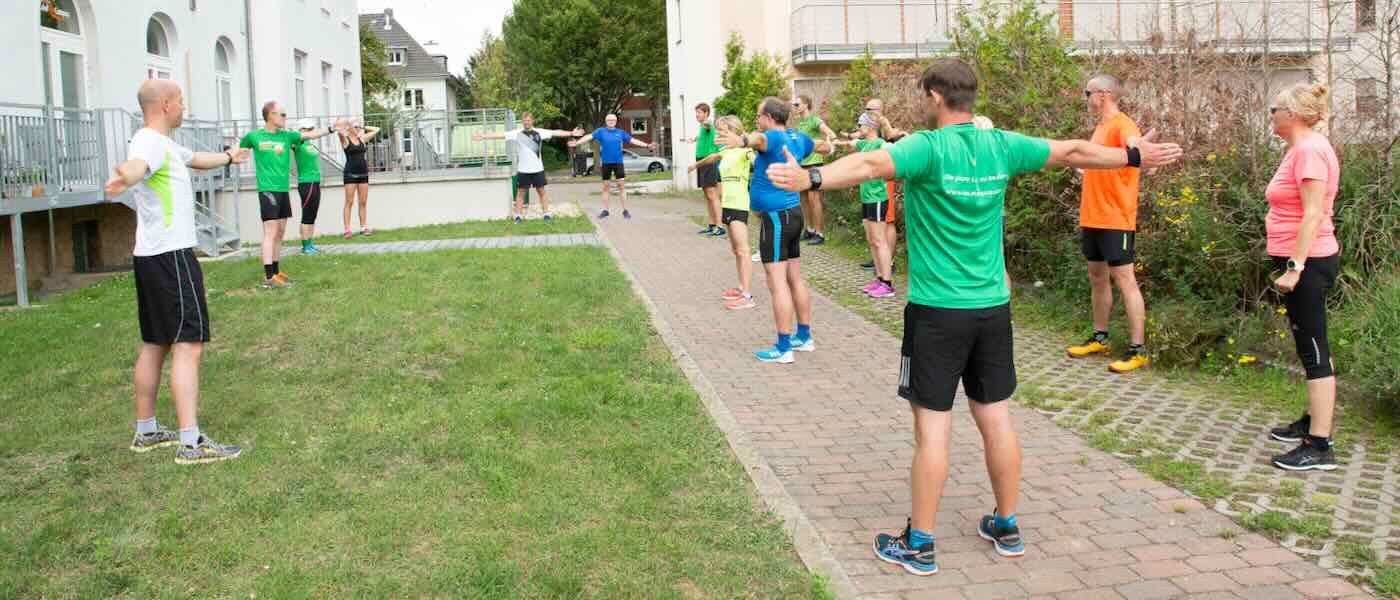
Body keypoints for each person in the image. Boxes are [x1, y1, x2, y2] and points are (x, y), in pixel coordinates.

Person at [765, 57, 1183, 575]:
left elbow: (871, 165)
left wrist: (810, 179)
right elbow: (1073, 150)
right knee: (996, 419)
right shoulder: (1000, 145)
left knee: (933, 429)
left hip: (938, 313)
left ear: (936, 97)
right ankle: (1006, 524)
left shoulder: (927, 147)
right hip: (992, 310)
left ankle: (919, 543)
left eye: (923, 96)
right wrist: (1134, 154)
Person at [104, 79, 251, 464]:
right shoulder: (149, 143)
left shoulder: (165, 144)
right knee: (188, 343)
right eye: (182, 101)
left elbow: (195, 159)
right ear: (166, 104)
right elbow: (139, 165)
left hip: (150, 257)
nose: (184, 107)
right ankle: (191, 442)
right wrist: (127, 175)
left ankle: (147, 431)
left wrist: (229, 157)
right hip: (171, 257)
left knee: (156, 341)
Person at [1263, 83, 1342, 472]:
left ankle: (1320, 445)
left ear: (1291, 115)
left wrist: (1295, 267)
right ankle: (1313, 421)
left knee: (1314, 351)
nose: (1271, 115)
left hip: (1307, 264)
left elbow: (1313, 213)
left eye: (1274, 109)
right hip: (1300, 262)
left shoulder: (1310, 151)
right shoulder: (1301, 149)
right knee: (1307, 345)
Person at [717, 97, 818, 364]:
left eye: (759, 116)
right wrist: (833, 144)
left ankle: (784, 348)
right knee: (794, 278)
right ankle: (804, 337)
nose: (757, 120)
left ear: (770, 118)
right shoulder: (797, 138)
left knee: (777, 284)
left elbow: (758, 140)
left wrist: (741, 141)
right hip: (794, 214)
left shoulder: (771, 137)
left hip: (775, 219)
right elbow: (821, 146)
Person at [1065, 75, 1151, 373]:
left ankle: (1138, 349)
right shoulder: (1100, 127)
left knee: (1125, 279)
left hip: (1116, 216)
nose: (1086, 98)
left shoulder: (1122, 124)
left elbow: (1133, 144)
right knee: (1097, 277)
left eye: (1087, 93)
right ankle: (1100, 337)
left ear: (1103, 95)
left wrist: (1139, 146)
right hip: (1093, 215)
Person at [240, 102, 342, 287]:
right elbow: (237, 151)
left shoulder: (287, 136)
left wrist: (331, 129)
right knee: (270, 232)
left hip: (283, 190)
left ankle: (277, 272)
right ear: (271, 115)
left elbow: (310, 134)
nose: (285, 118)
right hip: (267, 190)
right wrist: (224, 160)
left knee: (280, 232)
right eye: (283, 115)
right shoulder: (254, 136)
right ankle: (268, 276)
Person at [690, 115, 757, 310]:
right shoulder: (726, 151)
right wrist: (696, 165)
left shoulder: (745, 151)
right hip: (727, 205)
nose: (719, 134)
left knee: (743, 250)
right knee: (735, 250)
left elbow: (759, 162)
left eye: (723, 131)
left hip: (739, 205)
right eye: (718, 131)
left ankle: (747, 296)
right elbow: (713, 157)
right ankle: (741, 287)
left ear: (734, 130)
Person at [474, 112, 583, 223]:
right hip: (523, 170)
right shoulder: (517, 133)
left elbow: (555, 132)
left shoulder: (539, 132)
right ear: (522, 122)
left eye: (528, 120)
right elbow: (501, 135)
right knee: (520, 193)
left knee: (542, 192)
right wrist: (483, 136)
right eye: (524, 120)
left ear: (532, 121)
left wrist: (571, 133)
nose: (526, 122)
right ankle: (518, 216)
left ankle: (546, 214)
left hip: (537, 169)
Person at [831, 113, 896, 298]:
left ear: (870, 127)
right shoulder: (864, 144)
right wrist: (832, 143)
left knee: (879, 240)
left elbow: (892, 148)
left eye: (860, 124)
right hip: (866, 198)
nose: (858, 127)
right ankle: (879, 278)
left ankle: (888, 283)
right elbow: (848, 144)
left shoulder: (879, 144)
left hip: (877, 198)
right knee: (871, 239)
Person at [569, 114, 656, 219]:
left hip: (618, 163)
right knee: (606, 187)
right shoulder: (600, 131)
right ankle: (605, 210)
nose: (611, 121)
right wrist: (577, 143)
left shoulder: (620, 133)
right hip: (606, 163)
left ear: (615, 121)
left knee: (621, 186)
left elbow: (633, 140)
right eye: (609, 120)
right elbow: (588, 137)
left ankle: (625, 210)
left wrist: (647, 145)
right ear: (606, 121)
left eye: (613, 120)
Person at [792, 95, 837, 245]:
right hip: (802, 164)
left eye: (797, 104)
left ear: (806, 105)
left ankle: (820, 233)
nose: (795, 106)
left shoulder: (814, 119)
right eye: (794, 104)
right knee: (803, 199)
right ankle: (809, 229)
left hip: (814, 164)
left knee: (814, 199)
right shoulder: (800, 123)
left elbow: (830, 133)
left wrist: (827, 145)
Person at [682, 103, 726, 237]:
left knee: (713, 195)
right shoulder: (702, 127)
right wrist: (694, 138)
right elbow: (704, 134)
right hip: (702, 161)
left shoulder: (707, 124)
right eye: (696, 112)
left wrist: (707, 122)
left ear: (706, 113)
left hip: (708, 161)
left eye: (699, 112)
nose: (697, 115)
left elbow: (709, 126)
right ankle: (712, 225)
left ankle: (720, 226)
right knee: (707, 195)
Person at [335, 119, 380, 239]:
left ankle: (363, 227)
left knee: (363, 202)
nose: (359, 129)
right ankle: (347, 230)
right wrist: (342, 126)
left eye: (359, 127)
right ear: (350, 128)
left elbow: (377, 130)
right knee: (349, 202)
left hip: (363, 174)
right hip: (350, 174)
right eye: (356, 127)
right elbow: (339, 133)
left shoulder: (362, 139)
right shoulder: (345, 140)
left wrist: (362, 126)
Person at [293, 119, 325, 256]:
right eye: (306, 129)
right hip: (306, 182)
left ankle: (310, 244)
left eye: (311, 128)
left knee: (312, 214)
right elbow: (291, 138)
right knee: (307, 215)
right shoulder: (298, 143)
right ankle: (305, 247)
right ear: (300, 130)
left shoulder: (309, 143)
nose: (310, 130)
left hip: (315, 181)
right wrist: (297, 133)